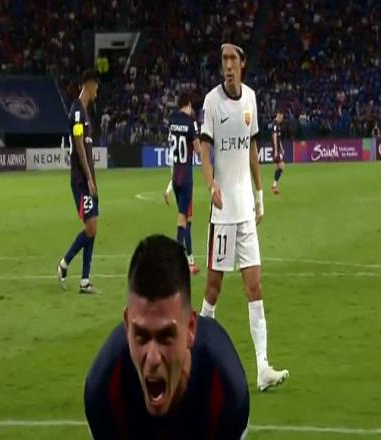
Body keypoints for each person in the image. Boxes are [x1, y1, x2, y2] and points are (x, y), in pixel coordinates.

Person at [85, 235, 249, 439]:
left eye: (165, 337)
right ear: (127, 327)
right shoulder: (105, 390)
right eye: (141, 336)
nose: (153, 358)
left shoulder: (224, 391)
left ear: (190, 329)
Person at [199, 41, 289, 391]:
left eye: (232, 59)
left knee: (255, 286)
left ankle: (263, 367)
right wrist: (210, 185)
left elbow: (252, 148)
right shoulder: (211, 102)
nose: (227, 65)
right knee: (213, 290)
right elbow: (204, 149)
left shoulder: (251, 98)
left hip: (246, 210)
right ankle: (196, 355)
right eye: (223, 59)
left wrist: (260, 194)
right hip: (222, 213)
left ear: (242, 63)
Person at [57, 70, 100, 294]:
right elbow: (79, 144)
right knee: (90, 227)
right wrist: (89, 178)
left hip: (88, 179)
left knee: (93, 226)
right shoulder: (76, 112)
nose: (97, 91)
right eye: (96, 86)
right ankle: (64, 263)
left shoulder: (84, 112)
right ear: (89, 85)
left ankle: (85, 281)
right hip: (81, 180)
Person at [163, 91, 201, 275]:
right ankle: (177, 259)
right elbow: (199, 150)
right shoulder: (191, 123)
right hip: (186, 175)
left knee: (186, 217)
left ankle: (189, 258)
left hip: (175, 174)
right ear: (189, 104)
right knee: (183, 217)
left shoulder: (172, 120)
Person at [271, 110, 285, 195]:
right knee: (282, 166)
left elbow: (278, 138)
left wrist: (281, 147)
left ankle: (275, 187)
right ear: (278, 116)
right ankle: (274, 185)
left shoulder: (277, 125)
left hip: (278, 149)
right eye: (281, 118)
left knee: (278, 167)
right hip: (276, 149)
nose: (282, 119)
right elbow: (275, 137)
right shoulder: (275, 125)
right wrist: (276, 150)